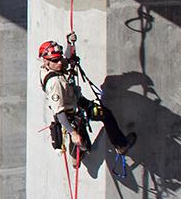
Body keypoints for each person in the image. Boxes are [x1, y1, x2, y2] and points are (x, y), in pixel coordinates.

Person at [39, 37, 135, 165]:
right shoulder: (54, 83)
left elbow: (66, 59)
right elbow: (60, 112)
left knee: (83, 134)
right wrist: (72, 133)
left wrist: (69, 43)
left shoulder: (50, 67)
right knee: (104, 116)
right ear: (46, 61)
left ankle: (76, 155)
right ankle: (121, 145)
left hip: (76, 101)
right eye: (55, 61)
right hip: (69, 112)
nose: (60, 63)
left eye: (59, 58)